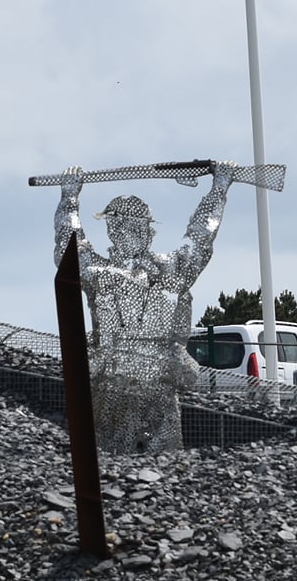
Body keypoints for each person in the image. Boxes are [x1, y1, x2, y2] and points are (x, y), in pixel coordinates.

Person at [53, 161, 233, 453]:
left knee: (162, 467)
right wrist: (69, 199)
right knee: (115, 466)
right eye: (122, 227)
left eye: (134, 227)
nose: (128, 233)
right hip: (115, 387)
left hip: (155, 390)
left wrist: (219, 190)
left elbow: (200, 239)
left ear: (146, 232)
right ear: (114, 232)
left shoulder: (166, 272)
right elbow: (68, 248)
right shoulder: (103, 274)